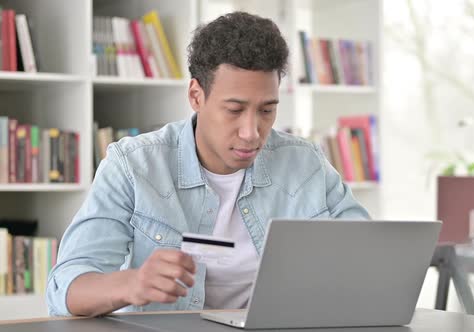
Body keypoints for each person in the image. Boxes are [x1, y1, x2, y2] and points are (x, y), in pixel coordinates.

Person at [47, 11, 369, 317]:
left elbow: (370, 256)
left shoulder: (305, 164)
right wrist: (132, 283)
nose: (251, 132)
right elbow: (65, 290)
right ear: (196, 95)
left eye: (267, 110)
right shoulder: (133, 166)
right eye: (234, 110)